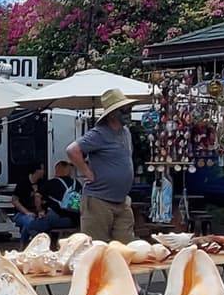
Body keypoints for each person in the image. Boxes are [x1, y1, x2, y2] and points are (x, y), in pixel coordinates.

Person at [66, 89, 140, 243]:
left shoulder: (125, 132)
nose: (129, 112)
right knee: (97, 248)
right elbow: (72, 150)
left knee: (125, 248)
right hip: (99, 200)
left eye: (129, 109)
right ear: (113, 114)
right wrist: (87, 173)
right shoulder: (99, 133)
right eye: (124, 110)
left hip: (121, 200)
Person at [12, 165, 73, 244]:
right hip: (22, 213)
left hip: (39, 213)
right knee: (30, 221)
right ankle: (24, 244)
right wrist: (27, 212)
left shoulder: (43, 183)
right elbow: (15, 200)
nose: (44, 171)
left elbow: (44, 199)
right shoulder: (22, 183)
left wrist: (42, 210)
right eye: (42, 169)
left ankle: (37, 243)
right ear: (36, 171)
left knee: (41, 222)